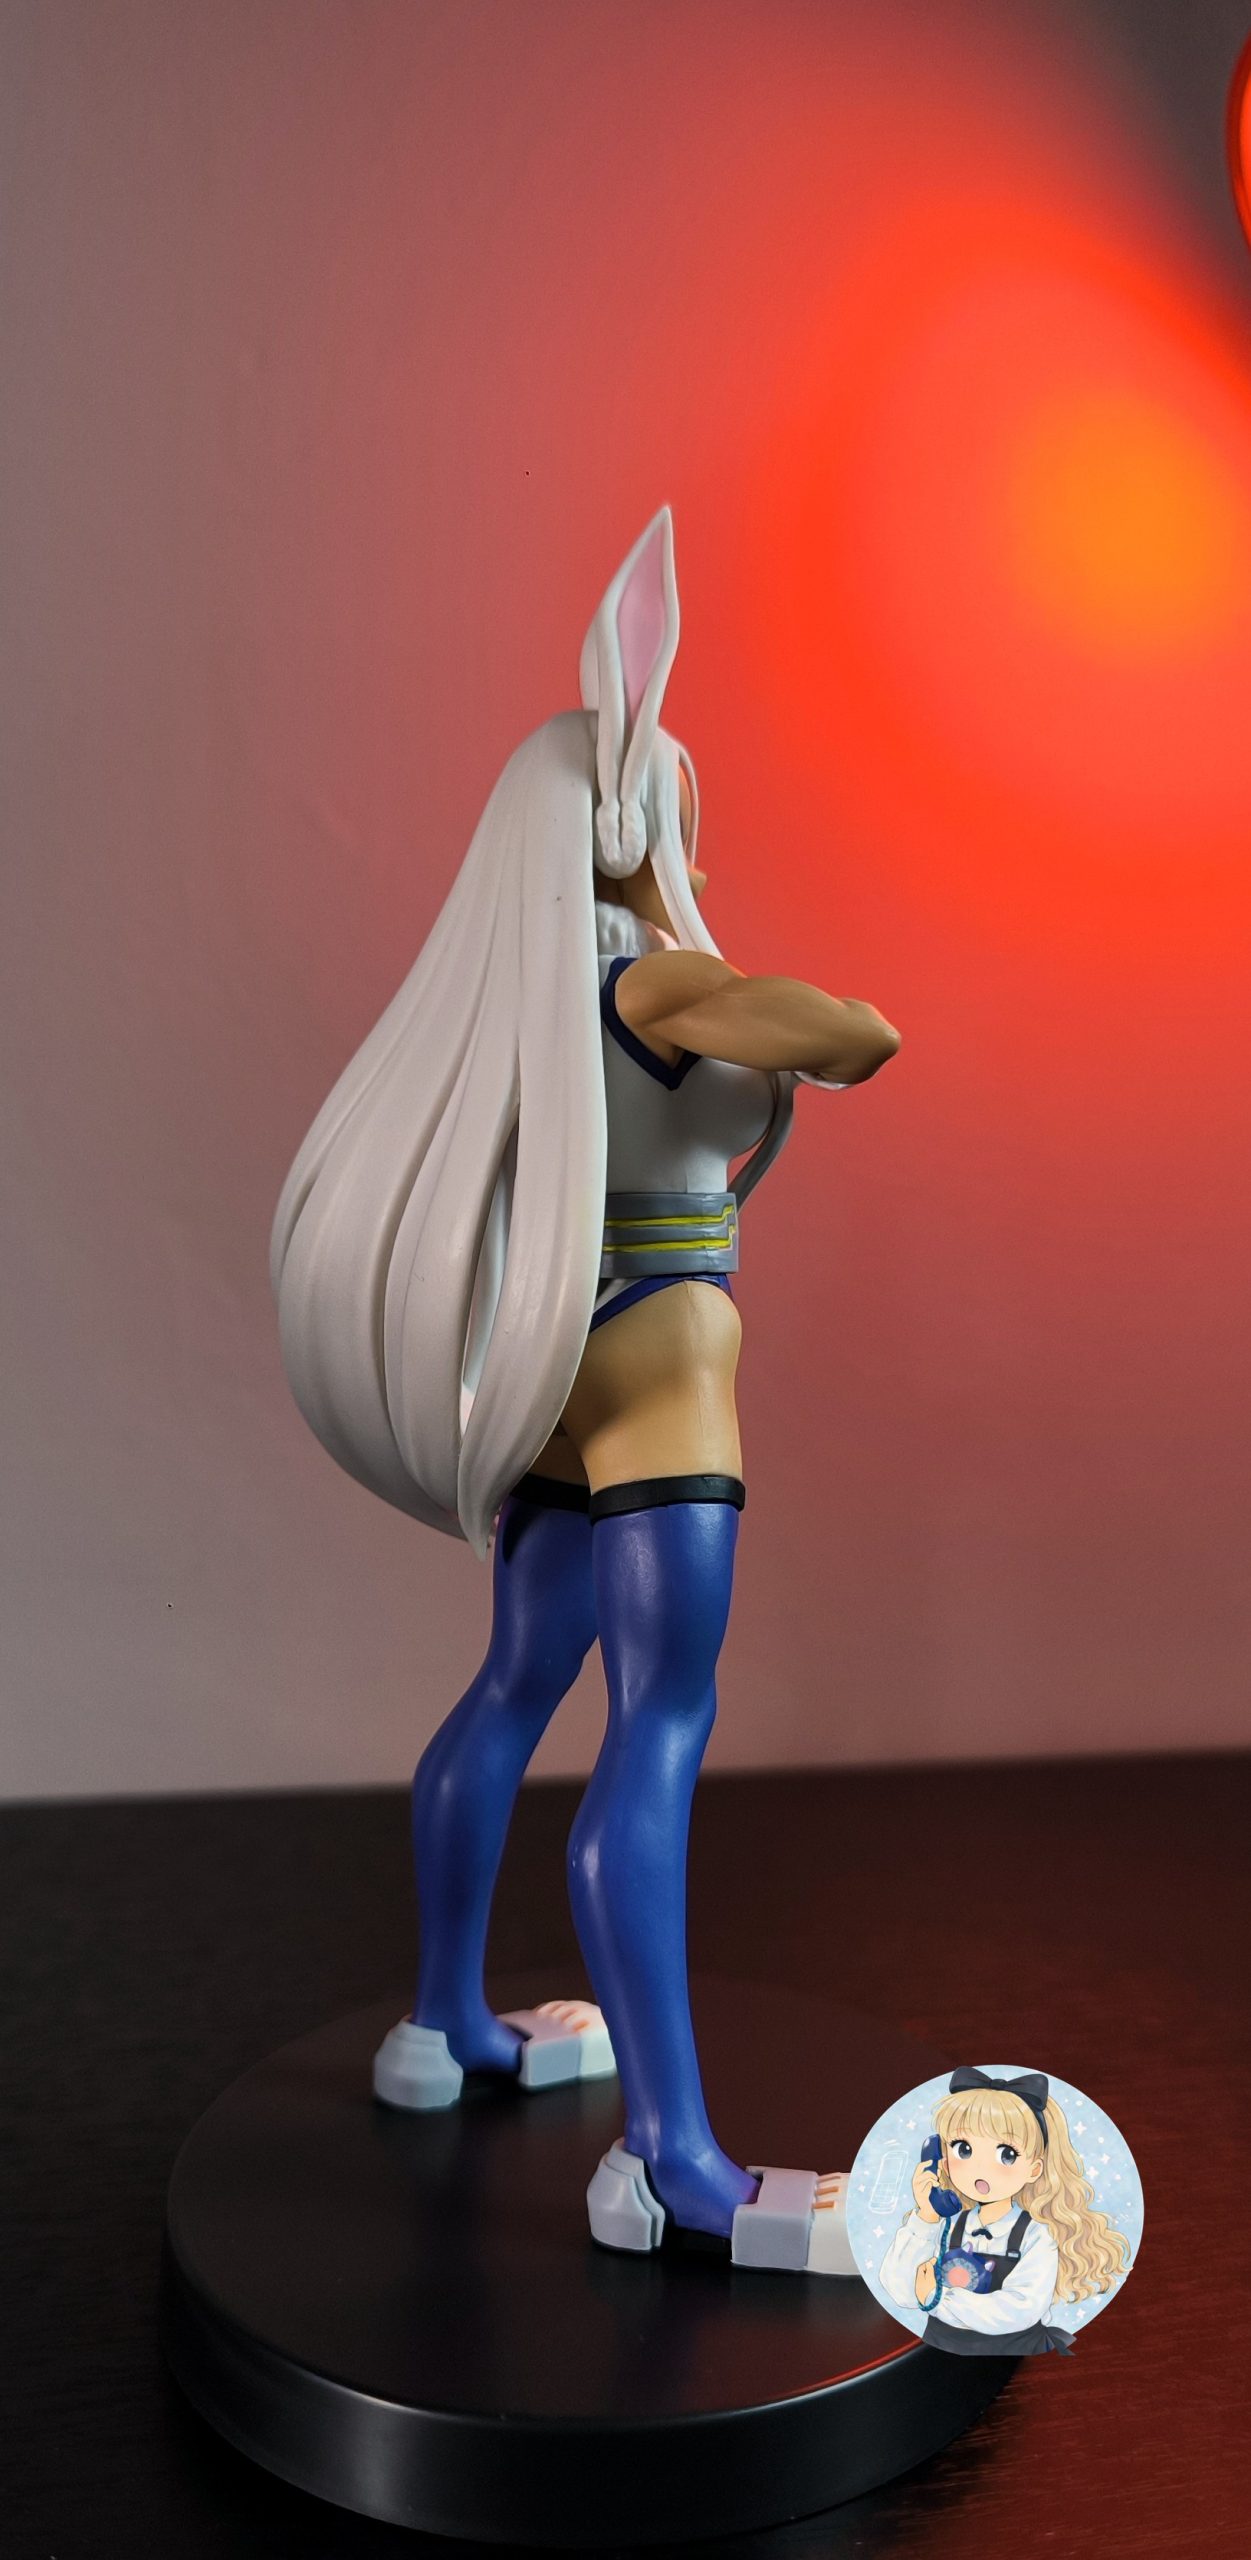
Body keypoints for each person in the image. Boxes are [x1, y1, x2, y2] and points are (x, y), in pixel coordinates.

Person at [270, 506, 901, 2269]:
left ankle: (441, 2028)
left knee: (512, 1687)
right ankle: (672, 2167)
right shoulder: (663, 981)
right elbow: (859, 1036)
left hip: (554, 1370)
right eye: (673, 802)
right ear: (632, 820)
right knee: (660, 1730)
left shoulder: (521, 999)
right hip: (662, 1390)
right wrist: (727, 963)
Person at [879, 2068, 1131, 2352]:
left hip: (1012, 2351)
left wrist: (938, 2299)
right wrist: (926, 2216)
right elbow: (901, 2292)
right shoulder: (946, 2225)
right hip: (940, 2349)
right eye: (963, 2149)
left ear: (1034, 2169)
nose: (980, 2168)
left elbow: (1020, 2309)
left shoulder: (1035, 2235)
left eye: (1006, 2154)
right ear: (944, 2159)